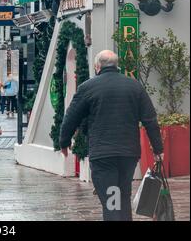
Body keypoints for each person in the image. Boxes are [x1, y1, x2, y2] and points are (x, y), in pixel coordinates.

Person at [59, 50, 164, 221]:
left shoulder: (88, 87)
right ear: (117, 65)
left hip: (103, 155)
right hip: (128, 155)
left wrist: (64, 142)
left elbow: (71, 117)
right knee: (122, 198)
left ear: (97, 66)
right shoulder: (135, 86)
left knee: (112, 201)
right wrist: (158, 149)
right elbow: (150, 120)